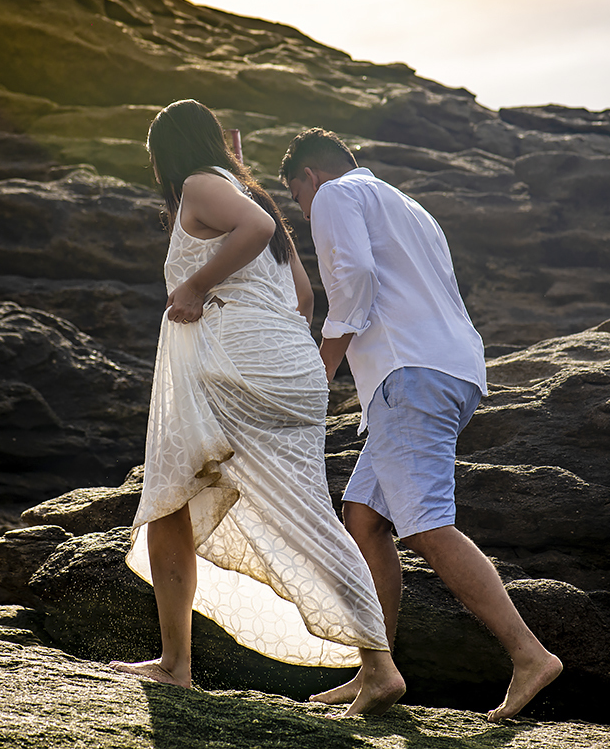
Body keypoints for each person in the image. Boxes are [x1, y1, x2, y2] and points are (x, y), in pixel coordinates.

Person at [109, 100, 406, 718]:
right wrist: (274, 348)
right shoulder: (249, 196)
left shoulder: (199, 186)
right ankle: (179, 664)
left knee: (181, 496)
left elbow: (257, 232)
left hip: (235, 364)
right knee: (200, 502)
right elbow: (302, 296)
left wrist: (193, 288)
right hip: (290, 367)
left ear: (165, 153)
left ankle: (182, 666)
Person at [278, 128, 562, 723]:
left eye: (299, 203)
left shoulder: (335, 196)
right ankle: (375, 670)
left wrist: (322, 369)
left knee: (426, 524)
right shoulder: (408, 206)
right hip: (450, 372)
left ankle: (530, 654)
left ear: (310, 178)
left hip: (410, 375)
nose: (306, 216)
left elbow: (352, 278)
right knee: (366, 519)